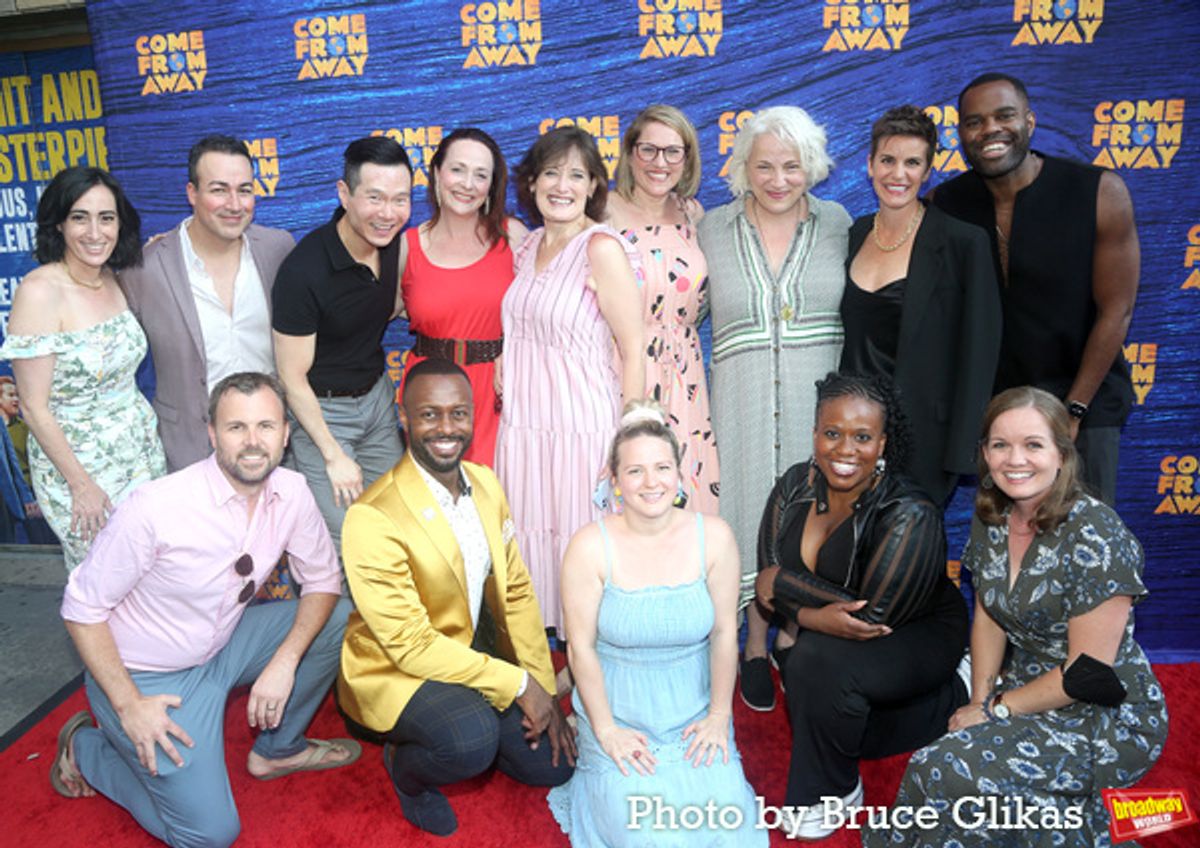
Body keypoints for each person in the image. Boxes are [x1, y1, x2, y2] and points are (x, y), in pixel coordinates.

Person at [52, 372, 358, 848]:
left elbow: (322, 581)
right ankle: (87, 749)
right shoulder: (156, 507)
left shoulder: (292, 491)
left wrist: (284, 660)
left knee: (339, 618)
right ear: (212, 435)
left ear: (285, 434)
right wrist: (130, 704)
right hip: (150, 678)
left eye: (266, 426)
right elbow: (80, 607)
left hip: (225, 643)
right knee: (208, 835)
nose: (253, 442)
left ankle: (278, 751)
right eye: (236, 428)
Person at [864, 387, 1168, 848]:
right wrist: (979, 699)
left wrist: (996, 710)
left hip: (1101, 712)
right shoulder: (994, 516)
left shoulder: (1097, 534)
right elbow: (988, 612)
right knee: (956, 788)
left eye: (1033, 444)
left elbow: (1088, 675)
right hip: (1021, 685)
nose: (1014, 459)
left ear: (1062, 455)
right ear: (984, 453)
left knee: (944, 769)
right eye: (999, 445)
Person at [338, 359, 574, 837]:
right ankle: (406, 770)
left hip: (468, 654)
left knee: (554, 768)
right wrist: (518, 686)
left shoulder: (485, 483)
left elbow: (518, 590)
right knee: (469, 742)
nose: (446, 428)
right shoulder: (372, 515)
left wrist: (544, 688)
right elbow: (409, 645)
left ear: (472, 415)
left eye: (458, 413)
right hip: (396, 669)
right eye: (429, 414)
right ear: (403, 419)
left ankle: (482, 723)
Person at [753, 372, 968, 841]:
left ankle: (832, 791)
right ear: (815, 434)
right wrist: (794, 598)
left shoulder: (910, 511)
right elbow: (765, 576)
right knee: (838, 708)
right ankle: (932, 707)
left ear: (883, 442)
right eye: (832, 433)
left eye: (862, 437)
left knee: (811, 662)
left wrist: (800, 608)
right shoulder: (794, 485)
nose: (845, 450)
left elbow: (870, 618)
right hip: (846, 634)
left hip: (916, 629)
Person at [549, 401, 765, 847]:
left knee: (727, 830)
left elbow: (726, 633)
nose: (651, 483)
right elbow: (580, 648)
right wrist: (606, 729)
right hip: (618, 708)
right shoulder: (588, 547)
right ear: (614, 482)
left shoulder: (716, 536)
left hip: (693, 708)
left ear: (680, 474)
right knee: (647, 836)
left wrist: (718, 717)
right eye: (635, 471)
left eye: (662, 467)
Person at [697, 106, 852, 709]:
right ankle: (756, 646)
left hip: (821, 406)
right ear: (741, 168)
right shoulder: (709, 227)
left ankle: (798, 636)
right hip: (738, 405)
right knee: (750, 519)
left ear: (812, 167)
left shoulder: (840, 224)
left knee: (814, 521)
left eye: (791, 165)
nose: (778, 179)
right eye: (763, 165)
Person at [932, 72, 1139, 505]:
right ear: (961, 135)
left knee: (1087, 549)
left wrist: (1073, 411)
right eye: (974, 121)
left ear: (1030, 121)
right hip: (999, 416)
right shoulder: (945, 206)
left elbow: (1116, 312)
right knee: (1006, 550)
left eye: (1004, 115)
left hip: (1084, 402)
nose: (990, 129)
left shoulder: (1098, 192)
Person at [495, 127, 644, 633]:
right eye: (552, 173)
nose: (563, 185)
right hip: (525, 431)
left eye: (577, 175)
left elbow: (634, 349)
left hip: (583, 432)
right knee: (535, 544)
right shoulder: (527, 244)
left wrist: (630, 440)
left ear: (594, 186)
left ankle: (592, 665)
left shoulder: (601, 248)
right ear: (532, 182)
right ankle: (554, 657)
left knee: (587, 547)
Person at [0, 166, 166, 570]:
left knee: (152, 574)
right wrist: (81, 485)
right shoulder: (39, 293)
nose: (95, 232)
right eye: (80, 217)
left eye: (106, 218)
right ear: (58, 224)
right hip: (79, 471)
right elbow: (34, 408)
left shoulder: (111, 278)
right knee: (103, 581)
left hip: (141, 454)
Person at [840, 105, 1001, 505]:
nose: (898, 174)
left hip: (924, 440)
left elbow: (980, 351)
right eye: (888, 160)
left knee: (909, 558)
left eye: (912, 163)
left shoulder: (963, 242)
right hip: (852, 437)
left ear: (928, 170)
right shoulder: (855, 232)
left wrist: (961, 451)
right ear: (870, 165)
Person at [121, 135, 295, 472]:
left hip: (274, 452)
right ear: (192, 194)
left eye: (244, 190)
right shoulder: (145, 268)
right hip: (189, 451)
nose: (234, 204)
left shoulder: (279, 249)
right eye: (219, 190)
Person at [273, 136, 410, 552]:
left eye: (400, 200)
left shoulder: (395, 246)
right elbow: (292, 378)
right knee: (343, 537)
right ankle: (344, 620)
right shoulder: (304, 271)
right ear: (344, 194)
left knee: (394, 524)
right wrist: (332, 455)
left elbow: (386, 308)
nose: (388, 214)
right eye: (375, 198)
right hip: (323, 413)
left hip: (377, 401)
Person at [607, 105, 719, 514]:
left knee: (686, 489)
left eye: (673, 152)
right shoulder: (602, 212)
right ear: (630, 153)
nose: (660, 163)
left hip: (686, 374)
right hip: (624, 370)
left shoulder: (693, 214)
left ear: (687, 158)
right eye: (649, 150)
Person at [397, 127, 527, 466]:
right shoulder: (406, 247)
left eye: (480, 175)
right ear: (437, 173)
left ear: (491, 187)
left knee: (496, 503)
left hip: (497, 395)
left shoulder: (512, 238)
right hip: (430, 395)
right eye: (458, 169)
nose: (467, 184)